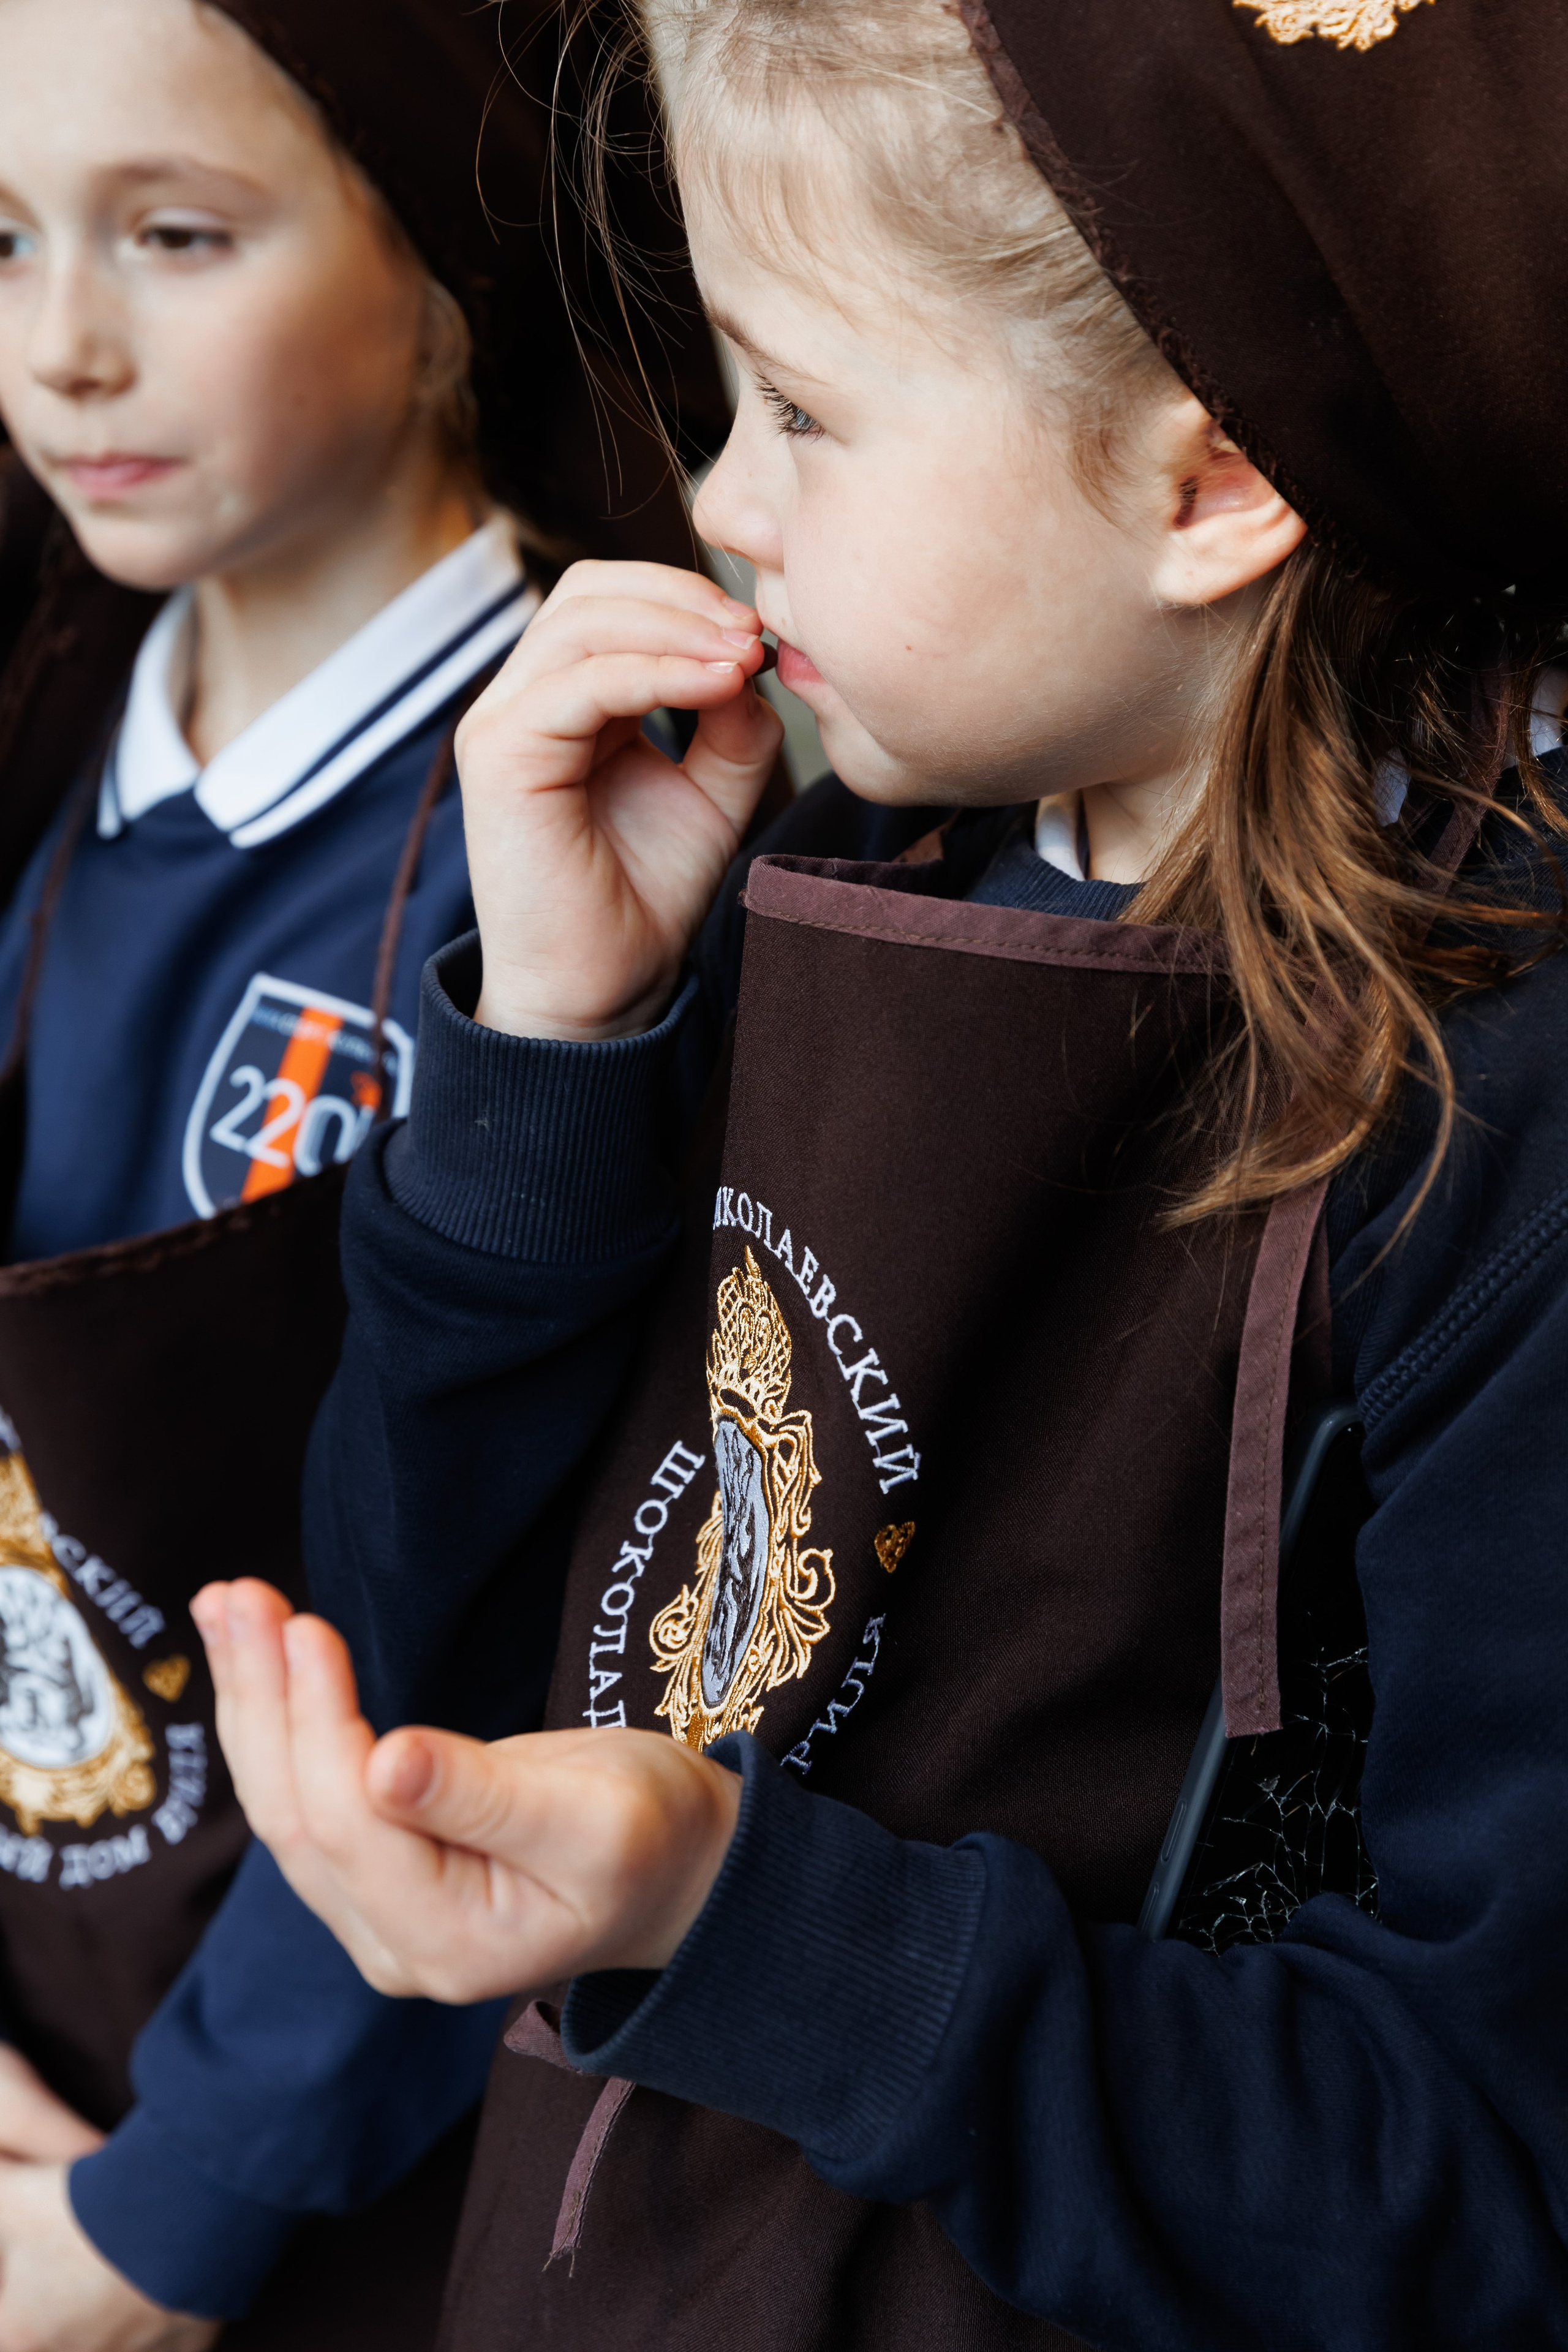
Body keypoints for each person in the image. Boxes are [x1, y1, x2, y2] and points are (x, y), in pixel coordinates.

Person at [196, 0, 1568, 2343]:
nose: (719, 502)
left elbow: (1469, 2184)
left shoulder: (1496, 1120)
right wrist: (554, 1045)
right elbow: (438, 1641)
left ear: (1205, 482)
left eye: (804, 409)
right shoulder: (821, 856)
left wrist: (732, 1907)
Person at [0, 0, 725, 2345]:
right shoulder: (44, 731)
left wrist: (167, 2218)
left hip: (343, 2162)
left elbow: (540, 1637)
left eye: (178, 235)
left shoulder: (586, 838)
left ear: (439, 273)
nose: (67, 349)